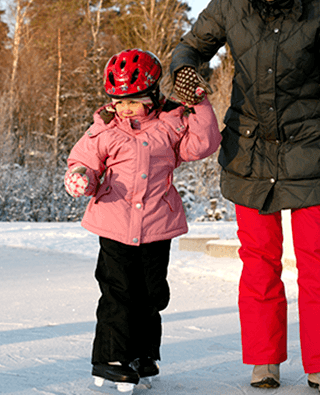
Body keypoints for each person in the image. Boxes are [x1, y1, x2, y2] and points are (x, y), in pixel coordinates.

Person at [168, 0, 320, 395]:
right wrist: (185, 73)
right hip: (250, 153)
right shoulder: (231, 3)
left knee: (318, 258)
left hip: (311, 152)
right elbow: (189, 48)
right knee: (258, 260)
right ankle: (264, 359)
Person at [64, 48, 221, 392]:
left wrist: (200, 105)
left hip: (156, 225)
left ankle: (143, 354)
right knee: (118, 292)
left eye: (133, 101)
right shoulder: (104, 129)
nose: (125, 109)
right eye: (119, 102)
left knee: (152, 294)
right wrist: (81, 177)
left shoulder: (171, 124)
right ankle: (110, 358)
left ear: (152, 96)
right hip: (114, 224)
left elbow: (204, 144)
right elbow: (84, 161)